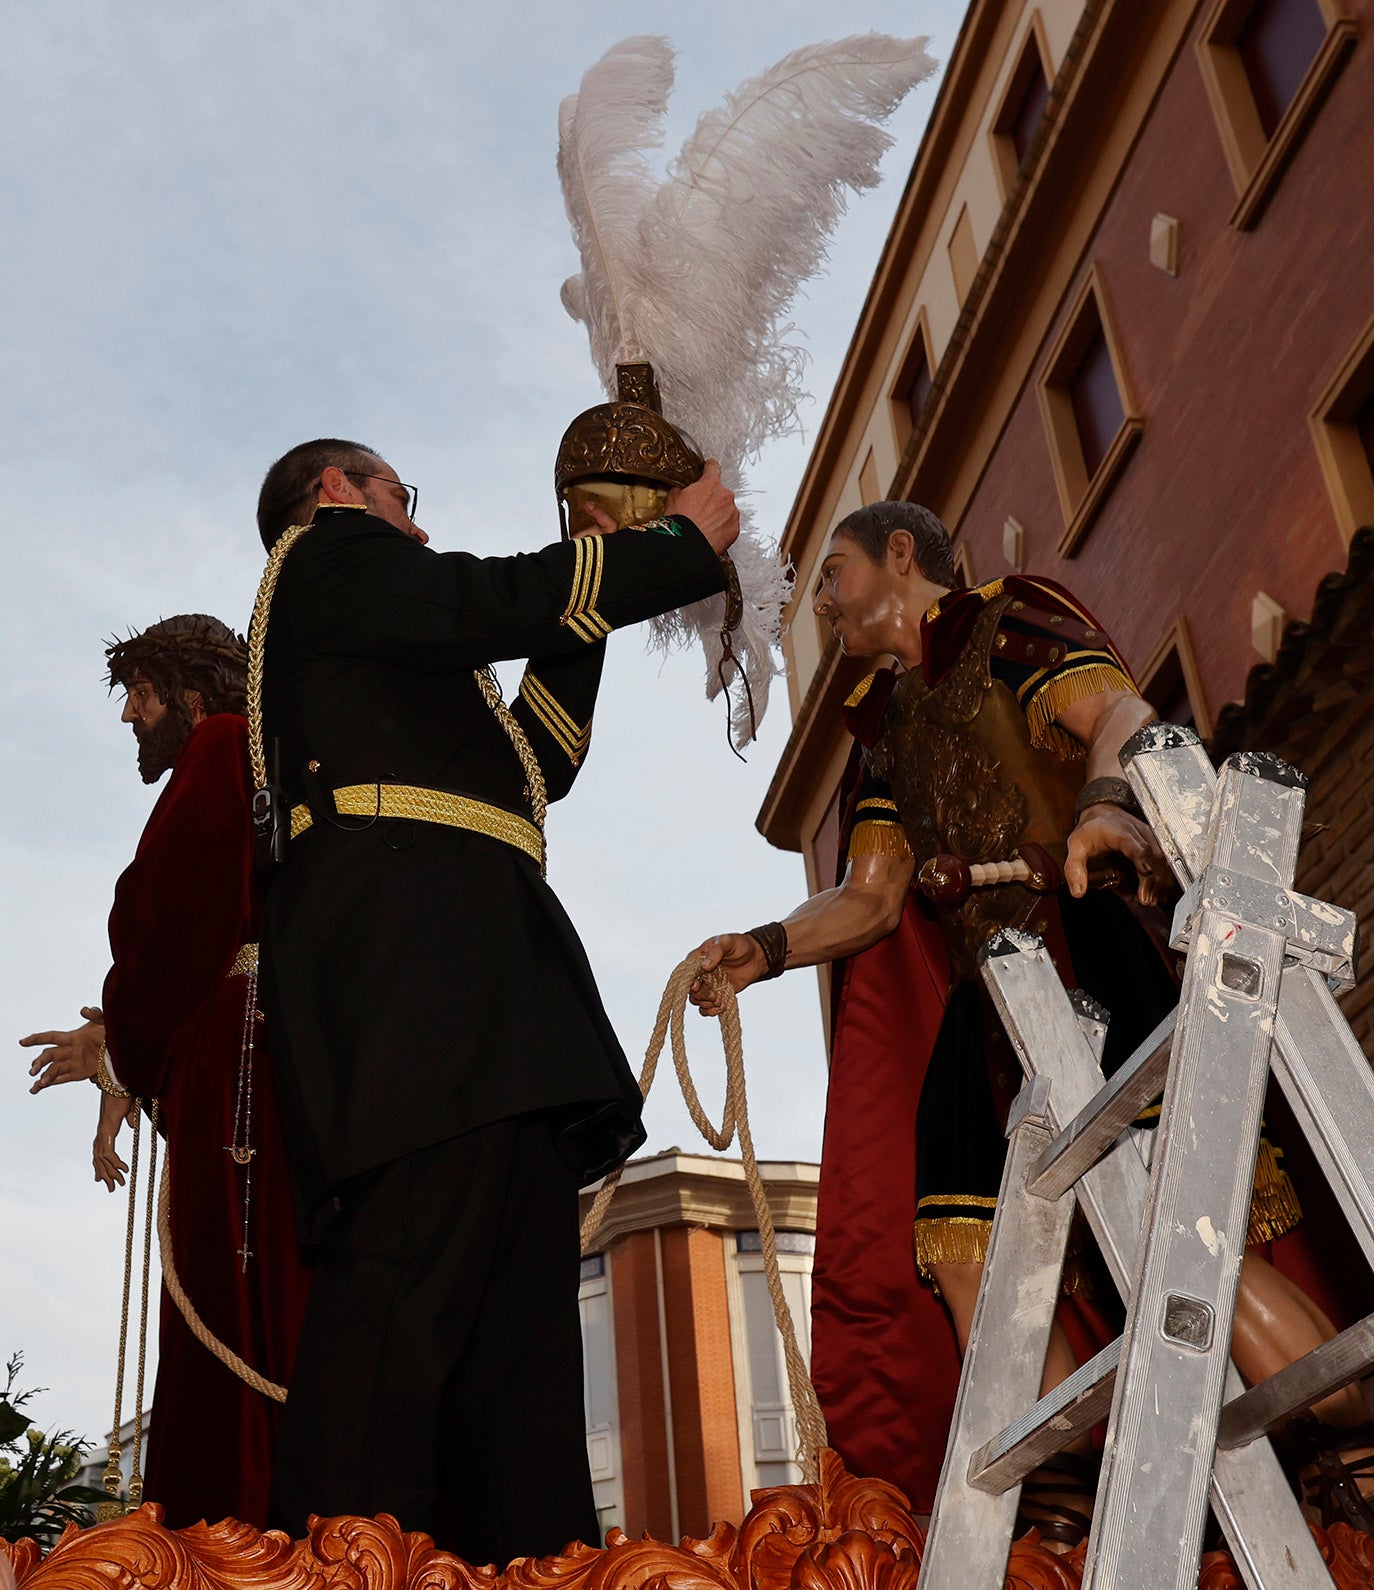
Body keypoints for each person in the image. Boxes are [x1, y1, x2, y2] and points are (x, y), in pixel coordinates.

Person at [690, 501, 1363, 1533]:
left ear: (900, 557)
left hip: (1077, 941)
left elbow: (1120, 714)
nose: (821, 599)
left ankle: (1341, 1422)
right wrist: (768, 947)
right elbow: (871, 897)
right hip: (986, 1001)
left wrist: (1102, 805)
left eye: (833, 572)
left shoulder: (1010, 618)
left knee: (1168, 1219)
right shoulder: (887, 729)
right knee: (964, 1248)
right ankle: (1068, 1474)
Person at [252, 438, 740, 1564]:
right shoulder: (329, 557)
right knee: (404, 1305)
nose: (413, 522)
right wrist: (672, 548)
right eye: (397, 496)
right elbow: (493, 598)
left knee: (515, 1356)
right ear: (335, 493)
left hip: (481, 991)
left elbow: (537, 761)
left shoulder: (394, 650)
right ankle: (334, 1568)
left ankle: (527, 1568)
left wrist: (597, 561)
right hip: (419, 990)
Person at [20, 616, 312, 1530]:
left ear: (190, 696)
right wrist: (128, 1057)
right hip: (232, 1051)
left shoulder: (223, 745)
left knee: (233, 1295)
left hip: (240, 1057)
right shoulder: (242, 755)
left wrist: (118, 1047)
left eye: (139, 696)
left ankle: (234, 1535)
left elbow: (177, 920)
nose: (129, 718)